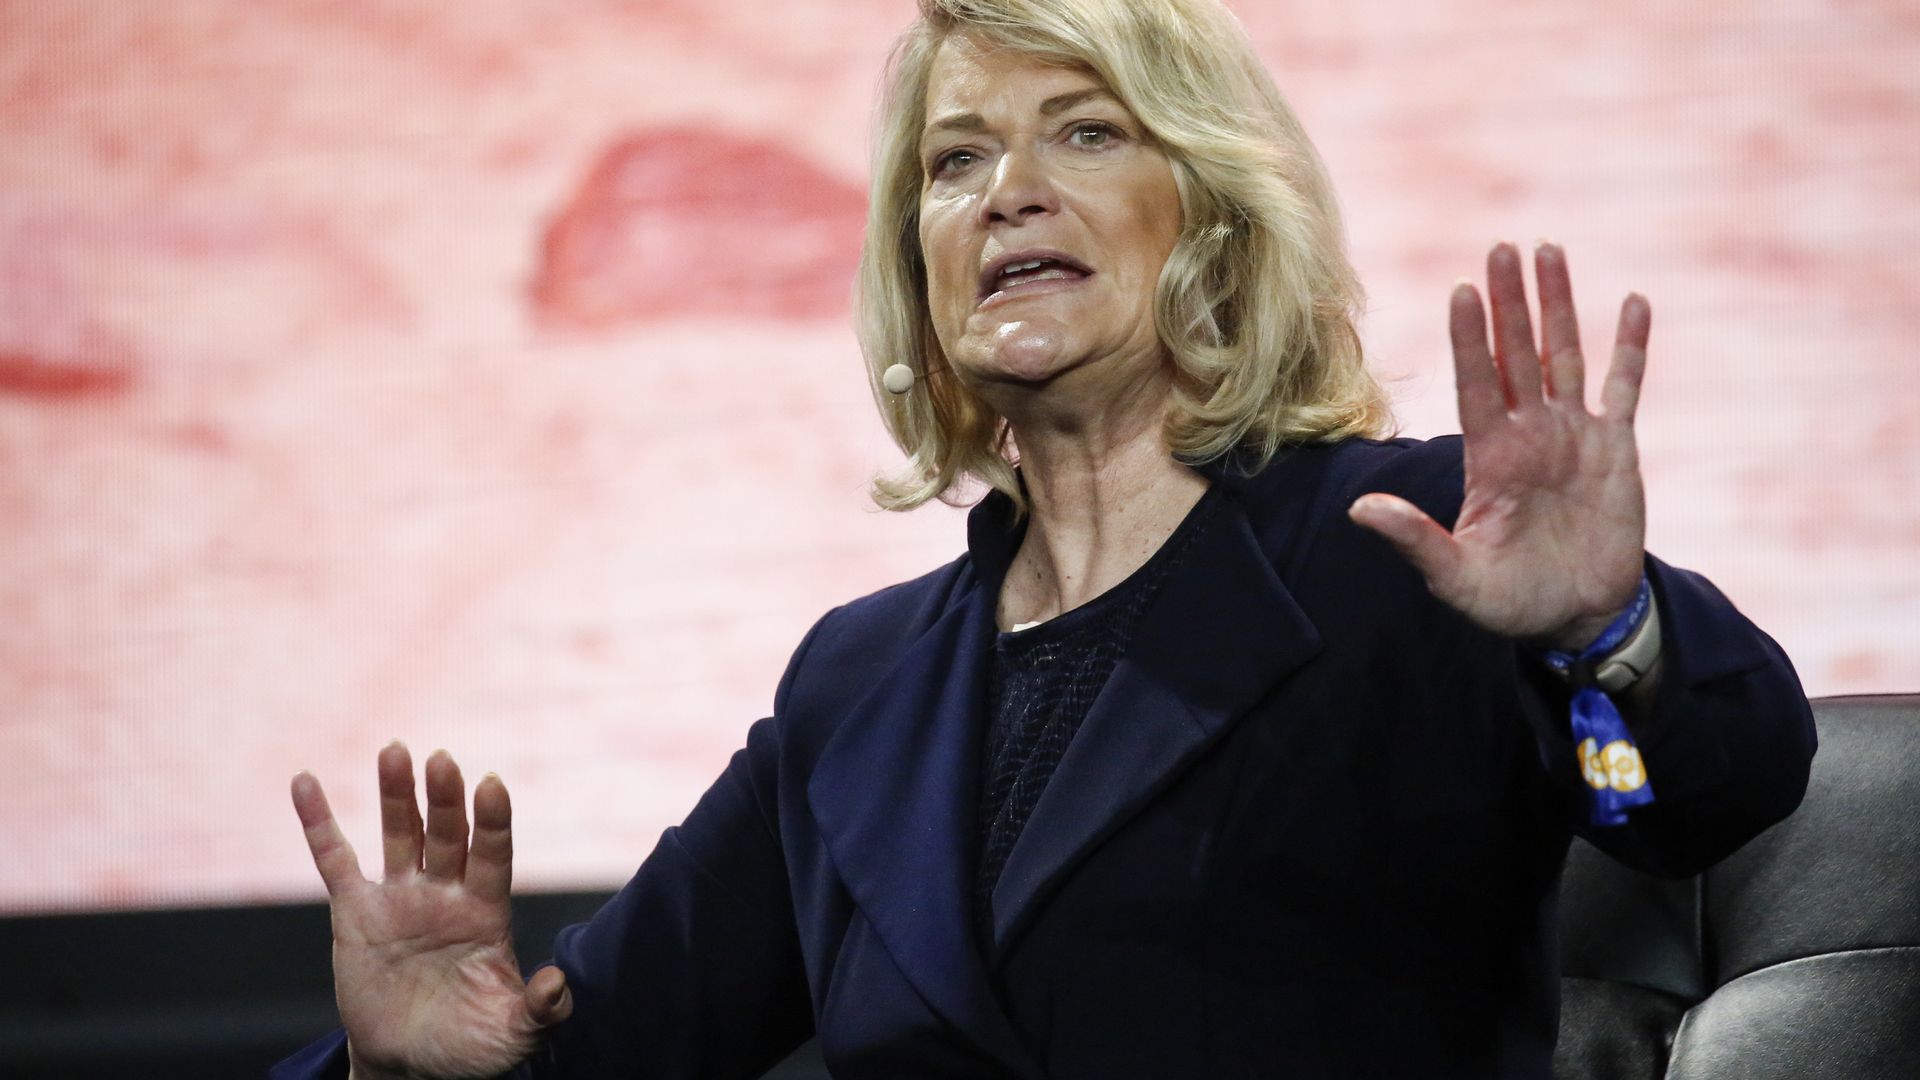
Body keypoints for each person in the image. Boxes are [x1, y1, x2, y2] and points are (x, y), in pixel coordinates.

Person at [275, 0, 1816, 1076]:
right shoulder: (855, 689)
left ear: (1211, 216)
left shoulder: (1400, 544)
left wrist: (1606, 641)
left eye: (1083, 133)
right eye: (956, 162)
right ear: (920, 265)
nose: (1009, 191)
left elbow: (1696, 798)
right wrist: (408, 1068)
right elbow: (607, 1044)